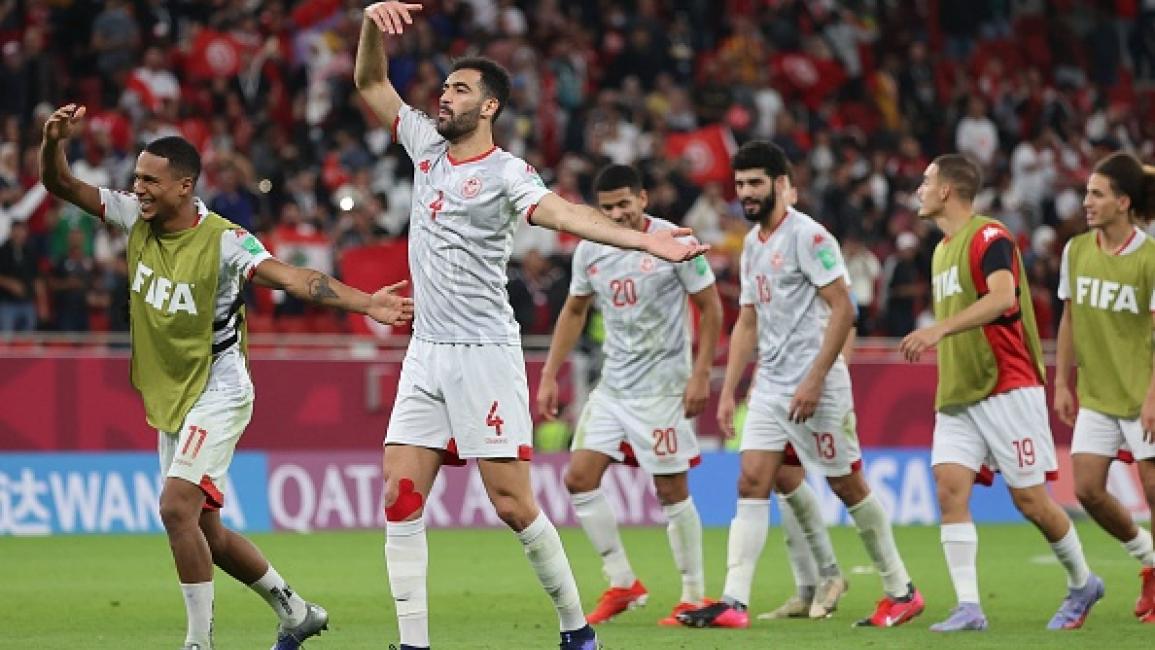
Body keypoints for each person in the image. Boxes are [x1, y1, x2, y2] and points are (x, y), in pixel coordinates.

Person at [354, 4, 708, 649]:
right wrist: (372, 25)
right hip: (426, 352)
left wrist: (646, 245)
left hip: (485, 354)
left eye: (460, 89)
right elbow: (371, 85)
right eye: (445, 86)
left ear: (488, 107)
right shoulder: (425, 149)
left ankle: (576, 632)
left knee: (513, 505)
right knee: (399, 495)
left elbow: (565, 214)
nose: (445, 95)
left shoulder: (507, 173)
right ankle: (412, 644)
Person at [40, 104, 415, 650]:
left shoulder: (224, 241)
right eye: (136, 178)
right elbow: (60, 183)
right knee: (205, 531)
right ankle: (295, 612)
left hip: (219, 386)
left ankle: (198, 642)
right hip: (172, 392)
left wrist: (366, 303)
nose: (137, 188)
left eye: (150, 180)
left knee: (174, 508)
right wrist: (53, 142)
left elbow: (295, 279)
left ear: (184, 187)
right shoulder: (129, 216)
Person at [679, 141, 922, 630]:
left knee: (847, 485)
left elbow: (845, 309)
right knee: (751, 479)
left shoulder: (810, 237)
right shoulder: (751, 244)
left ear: (780, 184)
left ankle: (901, 590)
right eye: (740, 184)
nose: (745, 193)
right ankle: (734, 602)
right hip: (771, 384)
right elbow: (747, 320)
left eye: (755, 183)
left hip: (819, 386)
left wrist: (814, 378)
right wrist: (730, 390)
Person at [900, 153, 1103, 631]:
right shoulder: (940, 249)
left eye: (926, 182)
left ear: (947, 190)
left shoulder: (990, 236)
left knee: (1030, 501)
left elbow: (1002, 298)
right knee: (950, 490)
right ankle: (969, 607)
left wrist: (938, 330)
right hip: (958, 392)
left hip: (1006, 385)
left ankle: (1082, 581)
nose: (919, 190)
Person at [535, 163, 723, 626]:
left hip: (664, 388)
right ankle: (622, 582)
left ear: (643, 198)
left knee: (670, 488)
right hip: (615, 385)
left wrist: (702, 374)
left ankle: (694, 596)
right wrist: (548, 375)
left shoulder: (674, 241)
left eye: (625, 203)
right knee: (578, 479)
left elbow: (712, 308)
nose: (618, 213)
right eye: (608, 207)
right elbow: (574, 311)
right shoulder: (590, 249)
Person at [1053, 151, 1155, 624]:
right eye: (1086, 192)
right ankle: (1150, 563)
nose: (1086, 201)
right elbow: (1070, 317)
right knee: (1090, 490)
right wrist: (1062, 381)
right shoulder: (1076, 251)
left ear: (1123, 201)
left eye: (1096, 193)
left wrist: (1153, 396)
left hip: (1143, 393)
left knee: (1153, 490)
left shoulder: (1151, 258)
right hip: (1097, 395)